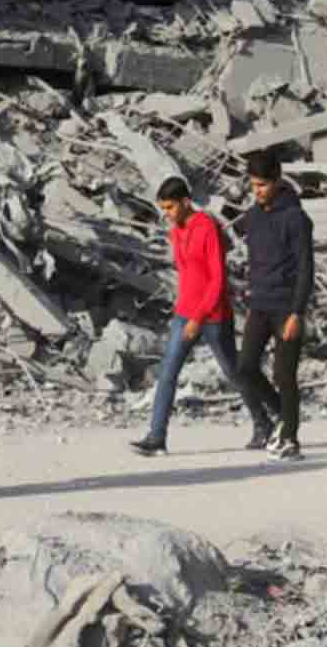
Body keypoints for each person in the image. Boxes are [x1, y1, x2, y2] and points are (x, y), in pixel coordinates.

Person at [129, 178, 274, 457]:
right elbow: (186, 275)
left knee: (233, 371)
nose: (167, 213)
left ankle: (264, 422)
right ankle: (156, 437)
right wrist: (183, 310)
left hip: (213, 316)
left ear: (185, 202)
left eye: (170, 207)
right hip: (185, 313)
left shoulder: (207, 228)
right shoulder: (176, 230)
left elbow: (217, 280)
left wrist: (198, 317)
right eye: (163, 208)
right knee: (168, 372)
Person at [238, 152, 314, 461]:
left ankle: (291, 439)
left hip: (286, 307)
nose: (258, 190)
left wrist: (297, 311)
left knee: (285, 375)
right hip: (260, 304)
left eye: (263, 184)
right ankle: (282, 416)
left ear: (278, 180)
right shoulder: (253, 217)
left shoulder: (295, 218)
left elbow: (306, 267)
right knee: (244, 368)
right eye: (254, 185)